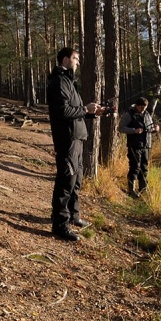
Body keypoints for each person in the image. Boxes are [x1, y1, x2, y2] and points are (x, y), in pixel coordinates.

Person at [46, 47, 102, 242]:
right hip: (67, 140)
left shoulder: (69, 81)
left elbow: (75, 110)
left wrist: (91, 112)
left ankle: (73, 216)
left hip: (77, 138)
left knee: (76, 180)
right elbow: (63, 111)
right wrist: (84, 108)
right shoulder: (58, 82)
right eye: (75, 58)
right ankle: (60, 225)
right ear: (64, 60)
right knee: (66, 181)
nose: (78, 62)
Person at [118, 97, 159, 198]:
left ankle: (143, 190)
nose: (143, 109)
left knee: (144, 167)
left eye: (144, 107)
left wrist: (155, 129)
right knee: (134, 167)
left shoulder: (147, 114)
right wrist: (134, 130)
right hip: (134, 145)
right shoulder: (129, 114)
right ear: (136, 105)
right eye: (141, 107)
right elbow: (120, 128)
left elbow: (149, 128)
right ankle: (131, 190)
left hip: (146, 145)